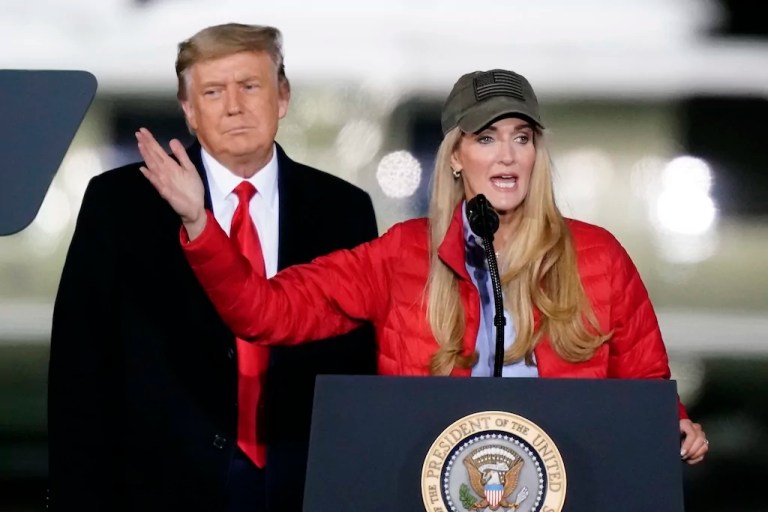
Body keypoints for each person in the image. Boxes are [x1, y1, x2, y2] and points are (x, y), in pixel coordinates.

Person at [137, 68, 709, 466]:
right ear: (457, 156)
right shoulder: (401, 255)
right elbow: (265, 312)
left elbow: (645, 384)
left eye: (522, 137)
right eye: (487, 138)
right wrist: (199, 223)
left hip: (570, 484)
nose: (508, 155)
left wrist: (676, 424)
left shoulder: (599, 256)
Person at [47, 23, 378, 511]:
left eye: (250, 86)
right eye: (213, 91)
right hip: (161, 490)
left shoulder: (343, 210)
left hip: (302, 484)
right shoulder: (120, 204)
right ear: (188, 110)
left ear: (283, 97)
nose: (234, 106)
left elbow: (361, 369)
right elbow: (80, 366)